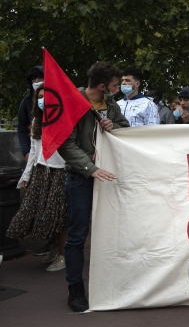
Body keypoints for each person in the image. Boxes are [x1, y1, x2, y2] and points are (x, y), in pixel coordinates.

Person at [57, 62, 130, 312]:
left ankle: (110, 282)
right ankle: (75, 288)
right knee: (77, 235)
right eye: (114, 85)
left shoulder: (111, 105)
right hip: (81, 178)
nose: (118, 89)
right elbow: (65, 144)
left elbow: (125, 128)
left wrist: (115, 127)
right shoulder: (72, 102)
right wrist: (91, 169)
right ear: (102, 86)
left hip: (106, 174)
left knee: (112, 230)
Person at [6, 84, 68, 272]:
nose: (42, 100)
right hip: (41, 171)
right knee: (42, 214)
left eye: (46, 97)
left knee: (59, 216)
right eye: (39, 96)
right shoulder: (36, 121)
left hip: (60, 171)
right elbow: (33, 150)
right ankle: (55, 248)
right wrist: (27, 175)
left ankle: (63, 256)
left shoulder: (63, 119)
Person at [16, 65, 53, 257]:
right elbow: (23, 129)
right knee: (39, 204)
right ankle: (49, 242)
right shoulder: (26, 102)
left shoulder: (56, 100)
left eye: (40, 77)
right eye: (34, 79)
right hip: (36, 159)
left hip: (55, 160)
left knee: (54, 205)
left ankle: (57, 245)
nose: (37, 82)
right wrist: (26, 153)